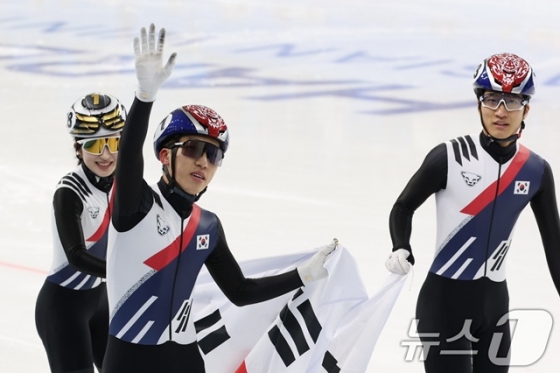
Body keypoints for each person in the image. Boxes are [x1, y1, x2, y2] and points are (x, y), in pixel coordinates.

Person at [102, 24, 336, 373]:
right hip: (130, 359)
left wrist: (302, 274)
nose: (203, 162)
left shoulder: (207, 226)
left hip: (184, 358)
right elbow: (128, 158)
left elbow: (239, 291)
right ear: (166, 156)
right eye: (194, 149)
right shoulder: (136, 207)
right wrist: (144, 96)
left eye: (214, 156)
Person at [385, 52, 560, 373]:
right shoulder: (449, 157)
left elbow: (556, 246)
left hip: (495, 308)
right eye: (492, 99)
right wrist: (401, 245)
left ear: (527, 109)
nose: (501, 111)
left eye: (512, 101)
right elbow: (403, 207)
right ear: (479, 103)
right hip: (444, 304)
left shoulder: (536, 171)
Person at [35, 93, 127, 373]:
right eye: (96, 145)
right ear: (78, 148)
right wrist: (125, 271)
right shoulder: (70, 192)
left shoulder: (121, 183)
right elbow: (76, 256)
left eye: (113, 142)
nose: (107, 155)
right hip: (63, 307)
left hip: (100, 302)